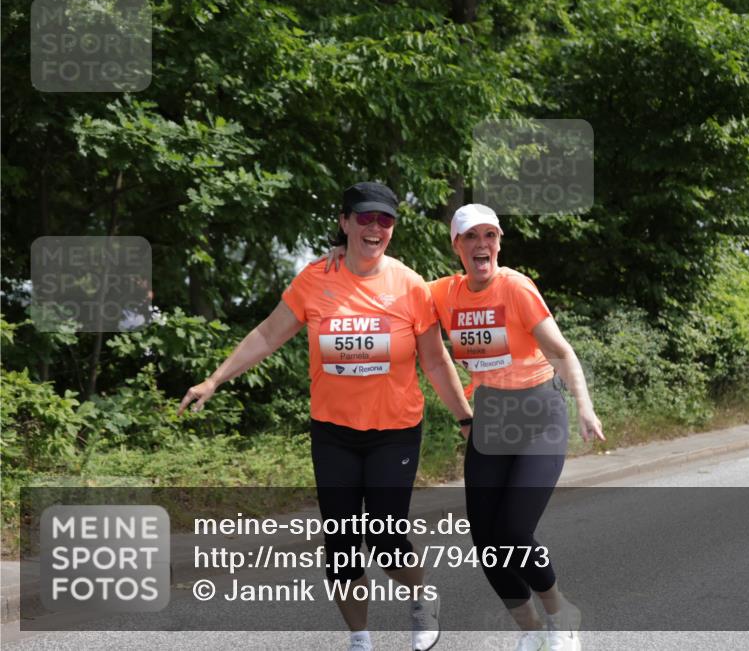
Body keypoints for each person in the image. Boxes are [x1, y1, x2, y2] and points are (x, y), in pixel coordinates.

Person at [179, 181, 473, 651]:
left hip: (394, 433)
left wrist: (465, 417)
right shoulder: (317, 278)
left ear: (393, 229)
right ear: (344, 223)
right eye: (364, 218)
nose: (374, 228)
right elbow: (268, 334)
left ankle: (420, 596)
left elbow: (434, 361)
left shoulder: (409, 286)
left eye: (384, 220)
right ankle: (360, 638)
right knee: (340, 548)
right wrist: (214, 379)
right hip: (333, 433)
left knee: (386, 539)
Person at [326, 203, 604, 651]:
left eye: (489, 236)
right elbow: (391, 280)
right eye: (471, 237)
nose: (482, 245)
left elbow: (563, 352)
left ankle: (559, 612)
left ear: (498, 242)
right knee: (487, 543)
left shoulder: (516, 288)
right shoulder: (442, 293)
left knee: (513, 532)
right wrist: (343, 252)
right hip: (490, 417)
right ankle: (531, 632)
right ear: (456, 245)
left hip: (538, 416)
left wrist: (586, 408)